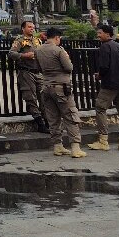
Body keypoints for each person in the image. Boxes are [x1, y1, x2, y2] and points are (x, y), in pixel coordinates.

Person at [36, 27, 85, 158]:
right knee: (70, 115)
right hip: (61, 87)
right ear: (57, 38)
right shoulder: (59, 50)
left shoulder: (38, 50)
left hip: (46, 86)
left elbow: (38, 68)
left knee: (53, 118)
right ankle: (75, 147)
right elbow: (69, 68)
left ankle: (57, 146)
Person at [87, 23, 119, 151]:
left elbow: (104, 66)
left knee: (100, 108)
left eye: (100, 33)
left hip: (111, 83)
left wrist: (99, 75)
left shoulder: (105, 47)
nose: (98, 35)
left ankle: (103, 140)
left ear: (107, 34)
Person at [8, 18, 47, 133]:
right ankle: (39, 122)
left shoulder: (37, 40)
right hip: (26, 72)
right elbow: (11, 53)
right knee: (31, 97)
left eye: (33, 27)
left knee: (44, 96)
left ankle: (47, 120)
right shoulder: (19, 40)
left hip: (38, 72)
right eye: (29, 27)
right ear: (23, 29)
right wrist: (24, 55)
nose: (32, 29)